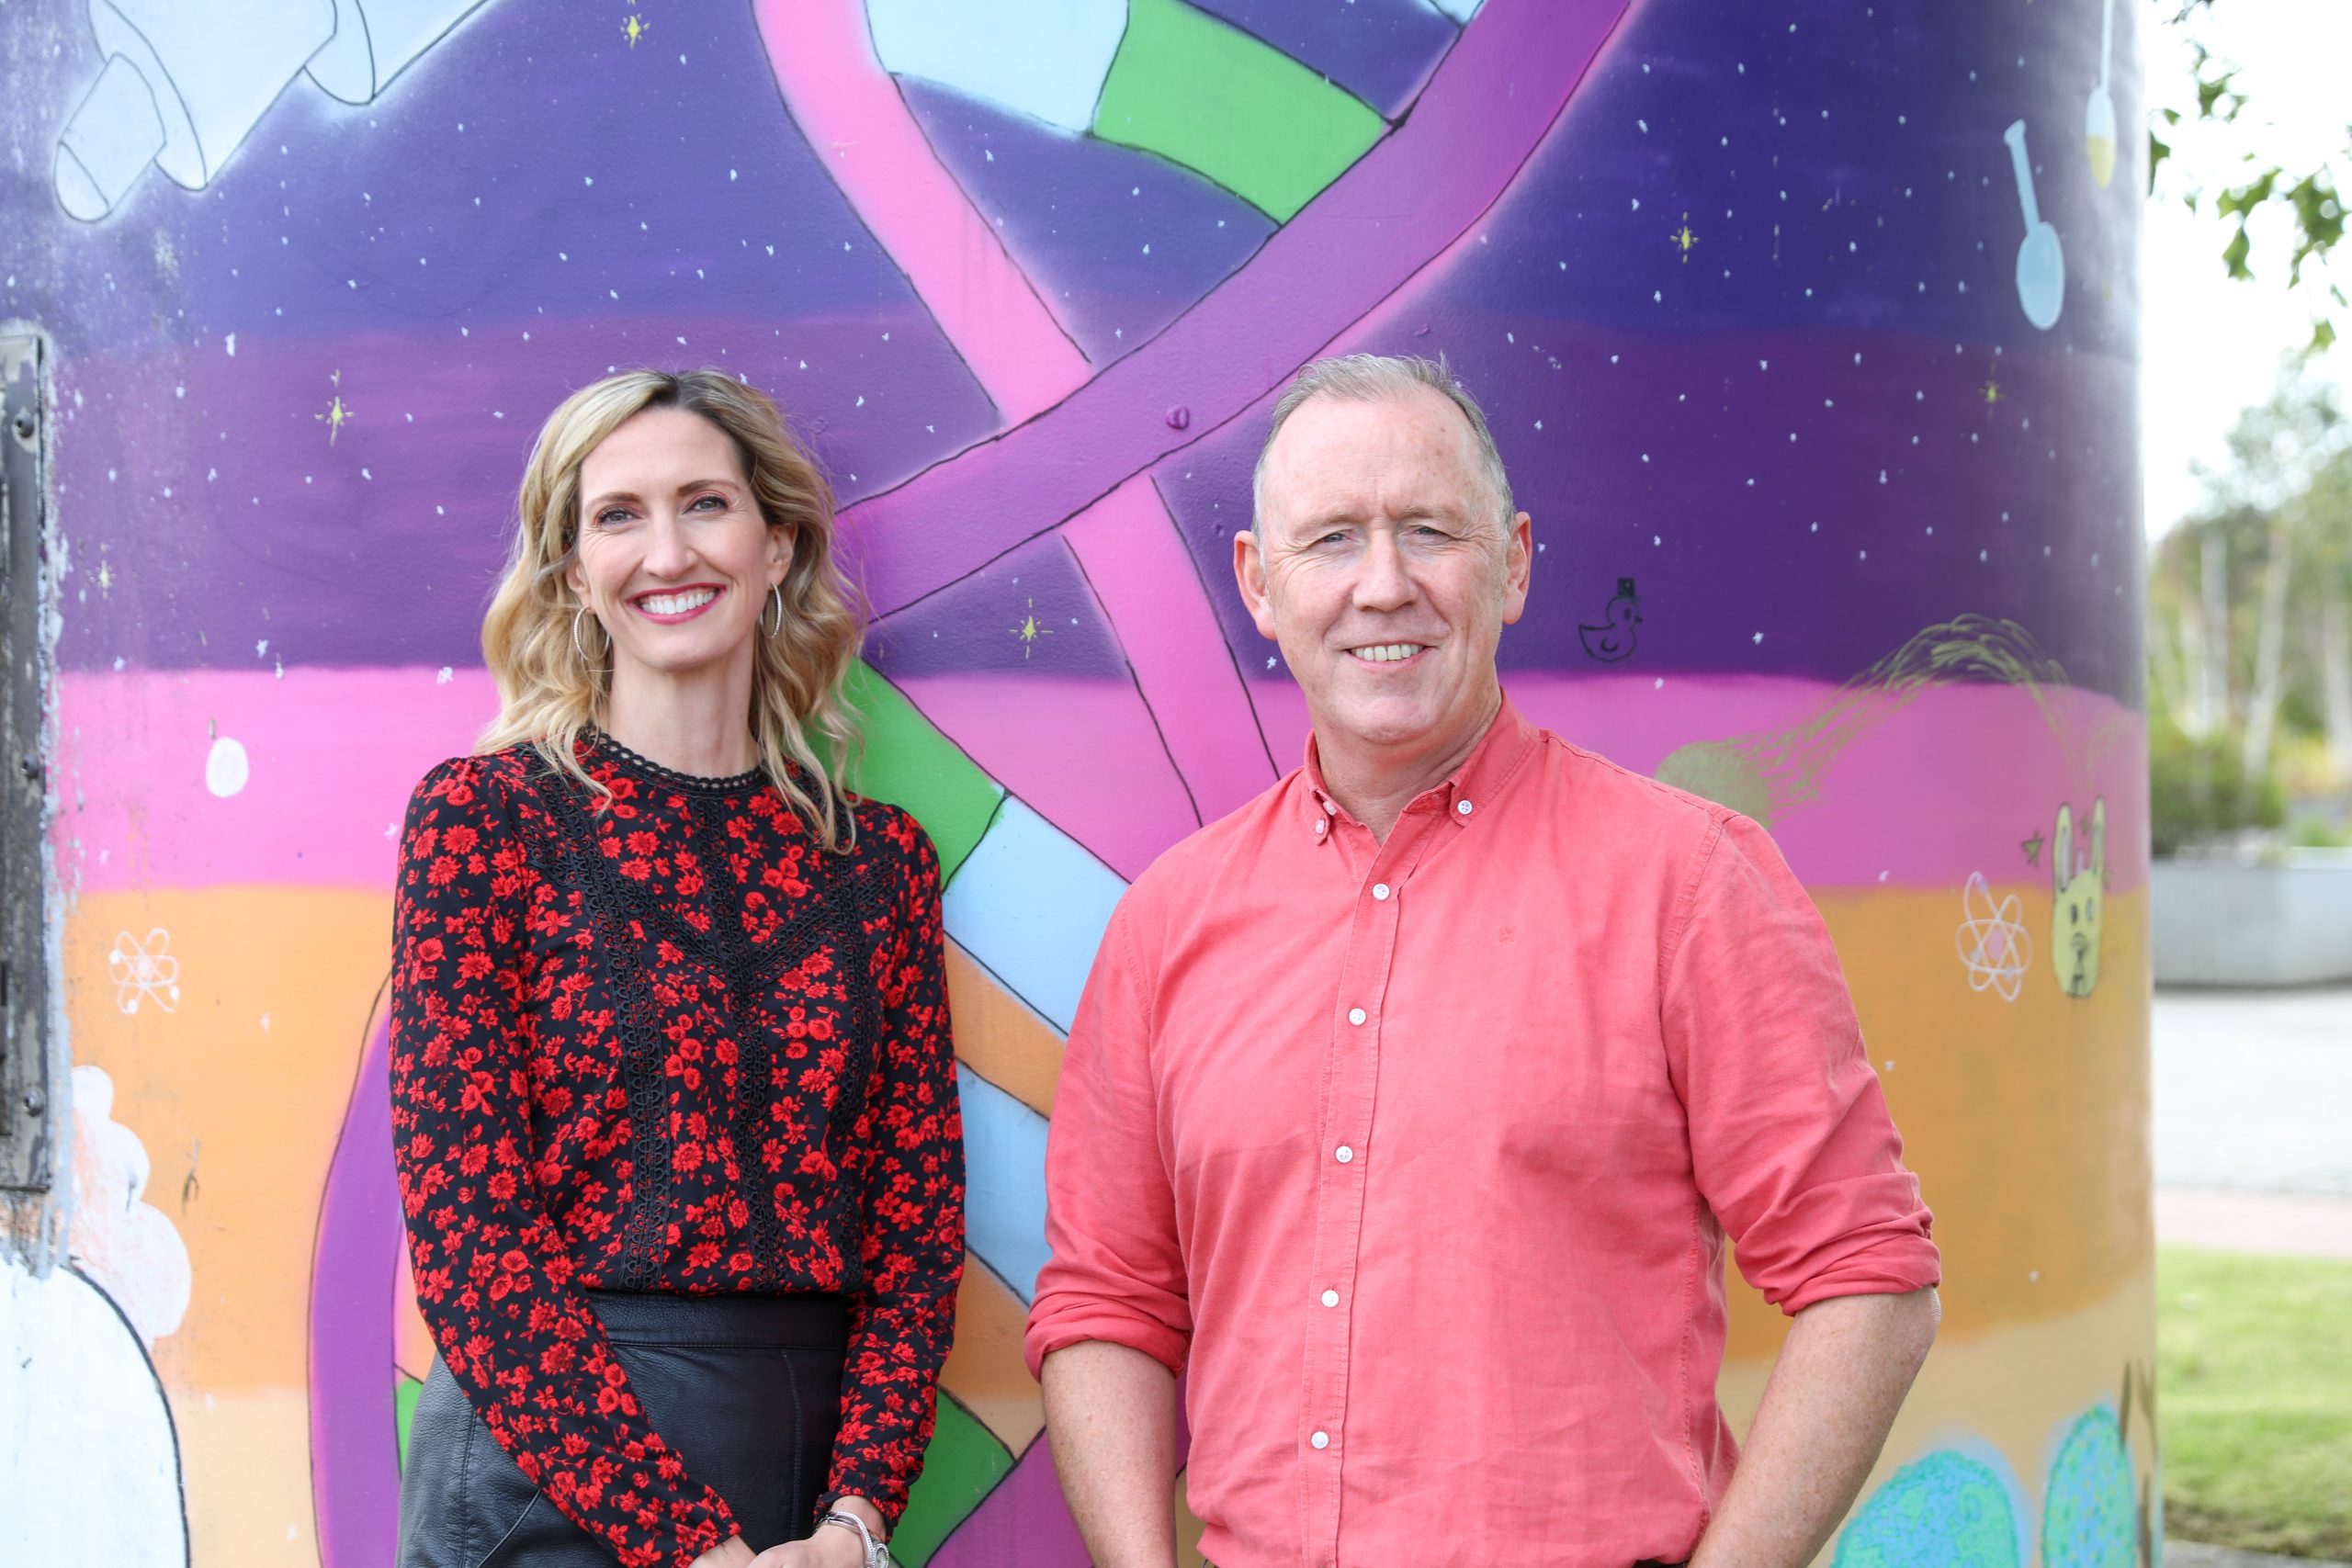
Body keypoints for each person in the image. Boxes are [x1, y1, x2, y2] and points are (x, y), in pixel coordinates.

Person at [1024, 355, 1940, 1568]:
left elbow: (1869, 1277)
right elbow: (1107, 1303)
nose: (1383, 585)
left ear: (1511, 564)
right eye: (1333, 539)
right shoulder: (1167, 922)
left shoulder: (1688, 883)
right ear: (1259, 584)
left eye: (1429, 531)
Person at [389, 369, 963, 1568]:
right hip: (542, 1475)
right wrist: (686, 1542)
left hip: (801, 1482)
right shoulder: (483, 824)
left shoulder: (880, 868)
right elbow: (470, 1236)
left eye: (705, 503)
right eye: (618, 516)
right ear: (572, 573)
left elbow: (915, 1233)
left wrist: (857, 1523)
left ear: (775, 545)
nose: (667, 553)